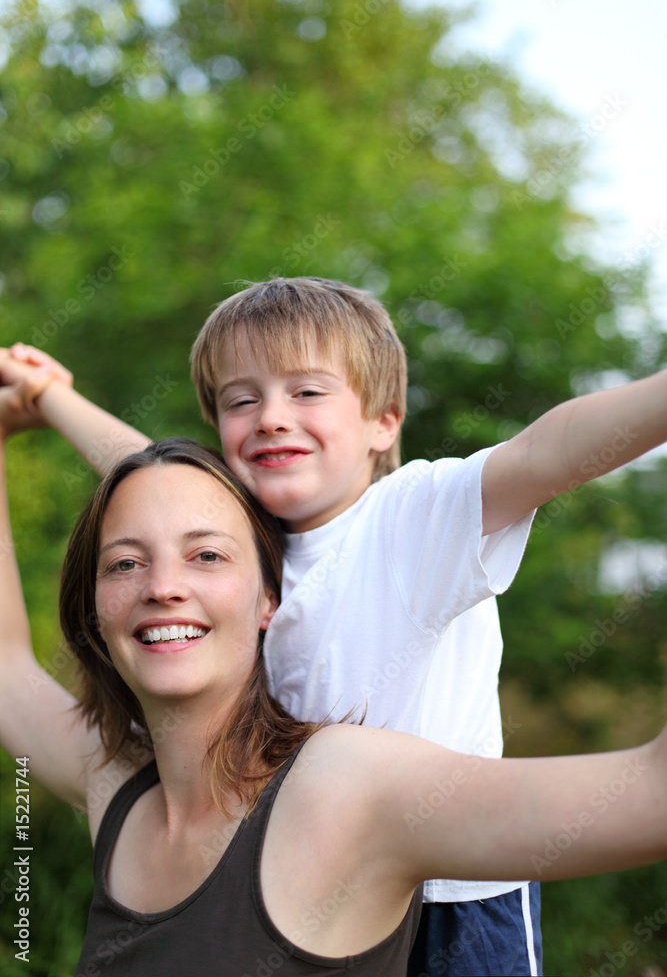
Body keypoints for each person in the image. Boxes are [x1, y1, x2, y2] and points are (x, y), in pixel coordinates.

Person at [3, 275, 667, 976]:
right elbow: (148, 475)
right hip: (299, 878)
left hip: (456, 893)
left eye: (307, 391)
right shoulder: (245, 546)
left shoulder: (411, 516)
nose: (270, 416)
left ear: (383, 421)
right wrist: (50, 399)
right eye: (240, 400)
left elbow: (546, 452)